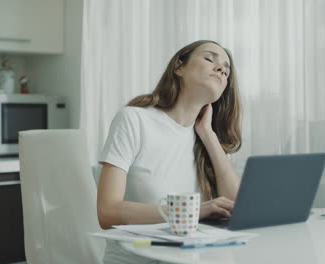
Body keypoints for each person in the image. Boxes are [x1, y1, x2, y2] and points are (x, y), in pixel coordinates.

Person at [97, 40, 242, 263]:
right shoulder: (134, 119)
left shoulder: (209, 140)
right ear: (179, 67)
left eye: (226, 69)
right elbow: (107, 213)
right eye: (209, 59)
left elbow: (237, 210)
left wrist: (209, 136)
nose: (221, 69)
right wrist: (194, 211)